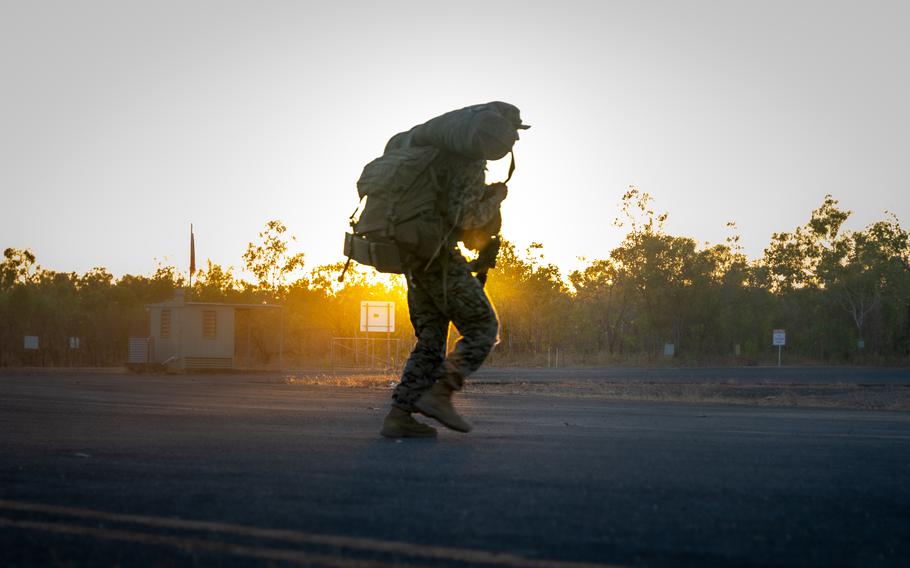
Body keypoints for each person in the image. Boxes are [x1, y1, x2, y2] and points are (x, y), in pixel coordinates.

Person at [380, 109, 530, 438]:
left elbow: (450, 213)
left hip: (417, 258)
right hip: (437, 259)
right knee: (483, 327)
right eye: (513, 131)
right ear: (494, 131)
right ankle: (440, 394)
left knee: (431, 340)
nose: (516, 139)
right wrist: (496, 197)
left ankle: (399, 415)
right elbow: (466, 217)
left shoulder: (437, 159)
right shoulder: (466, 161)